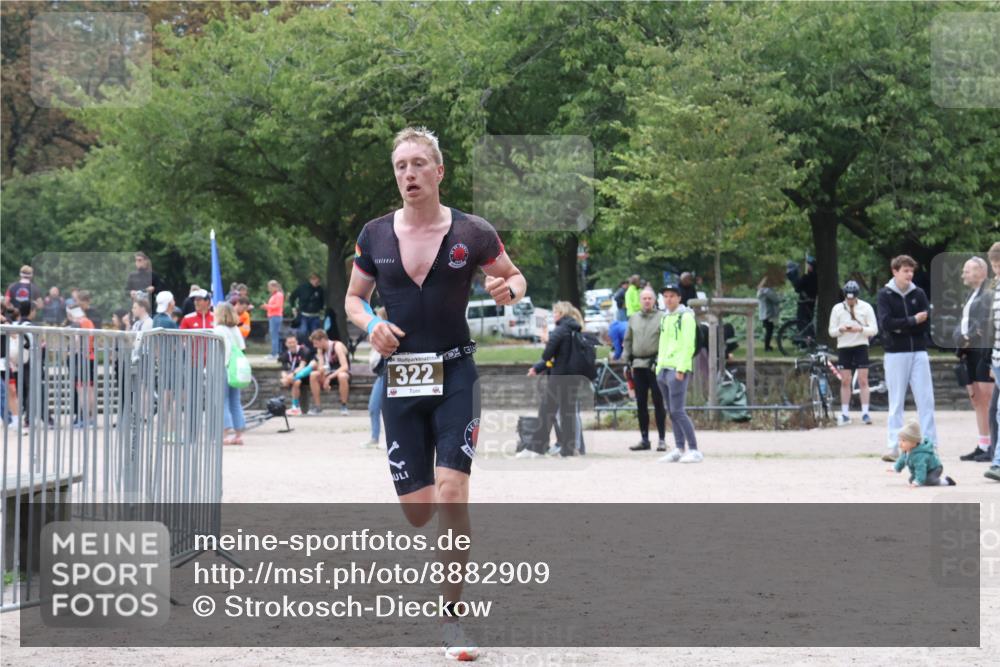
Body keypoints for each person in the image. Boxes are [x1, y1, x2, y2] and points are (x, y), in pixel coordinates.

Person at [345, 126, 525, 661]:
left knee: (452, 491)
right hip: (402, 380)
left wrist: (506, 289)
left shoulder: (474, 231)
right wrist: (369, 322)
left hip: (456, 374)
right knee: (420, 512)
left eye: (419, 163)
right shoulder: (374, 235)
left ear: (439, 171)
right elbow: (354, 299)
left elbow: (515, 279)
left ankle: (452, 619)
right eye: (401, 166)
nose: (409, 174)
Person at [877, 255, 936, 462]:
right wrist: (911, 321)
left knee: (925, 399)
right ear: (895, 271)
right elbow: (886, 323)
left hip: (918, 351)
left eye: (911, 271)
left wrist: (903, 325)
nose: (909, 275)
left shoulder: (918, 293)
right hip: (895, 353)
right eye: (905, 271)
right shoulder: (885, 294)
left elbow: (925, 323)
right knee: (896, 401)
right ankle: (894, 446)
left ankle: (930, 444)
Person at [525, 302, 587, 457]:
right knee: (568, 413)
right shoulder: (575, 330)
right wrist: (538, 367)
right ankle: (569, 448)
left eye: (554, 312)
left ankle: (538, 448)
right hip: (573, 377)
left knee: (546, 411)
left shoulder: (560, 331)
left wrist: (547, 339)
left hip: (559, 377)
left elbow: (548, 355)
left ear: (561, 313)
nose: (553, 315)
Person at [954, 256, 994, 462]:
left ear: (980, 272)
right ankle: (983, 443)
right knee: (976, 400)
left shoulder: (988, 295)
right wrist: (959, 340)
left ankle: (993, 447)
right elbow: (963, 322)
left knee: (986, 399)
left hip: (981, 351)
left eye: (967, 270)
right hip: (968, 353)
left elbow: (983, 325)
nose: (963, 274)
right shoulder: (971, 295)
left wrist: (968, 338)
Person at [656, 284, 701, 463]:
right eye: (665, 296)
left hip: (677, 368)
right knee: (671, 411)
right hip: (663, 368)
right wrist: (658, 367)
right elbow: (662, 343)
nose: (668, 299)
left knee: (678, 410)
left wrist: (682, 368)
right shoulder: (665, 317)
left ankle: (694, 449)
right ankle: (679, 447)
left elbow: (688, 344)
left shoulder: (686, 317)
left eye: (672, 296)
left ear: (679, 298)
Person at [828, 280, 878, 426]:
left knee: (863, 380)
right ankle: (844, 413)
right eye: (848, 298)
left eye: (853, 298)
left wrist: (860, 329)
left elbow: (874, 329)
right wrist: (841, 329)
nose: (850, 300)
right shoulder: (837, 309)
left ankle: (865, 413)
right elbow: (831, 332)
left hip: (861, 345)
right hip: (844, 346)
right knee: (845, 380)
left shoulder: (866, 307)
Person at [624, 286, 667, 452]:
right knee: (640, 403)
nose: (647, 301)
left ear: (655, 300)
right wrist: (626, 358)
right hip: (638, 366)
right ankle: (644, 438)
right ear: (640, 300)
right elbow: (628, 340)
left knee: (658, 402)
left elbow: (665, 340)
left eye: (650, 298)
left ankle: (662, 439)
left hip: (655, 365)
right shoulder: (633, 318)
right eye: (644, 298)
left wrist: (661, 358)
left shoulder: (662, 317)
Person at [213, 302, 247, 445]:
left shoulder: (218, 329)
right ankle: (238, 434)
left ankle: (224, 434)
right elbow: (242, 347)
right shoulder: (235, 329)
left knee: (223, 401)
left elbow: (218, 350)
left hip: (223, 366)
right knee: (235, 401)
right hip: (236, 368)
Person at [887, 420, 955, 487]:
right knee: (912, 480)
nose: (900, 444)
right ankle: (921, 480)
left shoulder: (920, 455)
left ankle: (946, 481)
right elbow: (902, 460)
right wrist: (896, 468)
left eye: (904, 441)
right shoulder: (906, 450)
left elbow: (920, 469)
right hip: (924, 469)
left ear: (914, 442)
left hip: (934, 468)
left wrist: (918, 482)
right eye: (900, 440)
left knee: (929, 480)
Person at [5, 301, 36, 432]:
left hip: (16, 362)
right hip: (28, 362)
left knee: (18, 391)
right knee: (30, 390)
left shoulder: (15, 324)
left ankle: (19, 415)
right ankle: (27, 418)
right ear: (31, 311)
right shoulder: (29, 326)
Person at [361, 307, 389, 448]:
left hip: (389, 374)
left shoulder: (389, 331)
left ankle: (390, 439)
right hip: (381, 375)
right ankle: (374, 437)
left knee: (388, 410)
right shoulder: (377, 332)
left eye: (378, 316)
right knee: (373, 407)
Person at [308, 329, 351, 415]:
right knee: (313, 375)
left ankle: (344, 406)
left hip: (341, 373)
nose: (314, 346)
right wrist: (320, 356)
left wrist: (328, 378)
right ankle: (318, 407)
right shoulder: (321, 350)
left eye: (316, 343)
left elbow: (345, 367)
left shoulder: (337, 345)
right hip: (329, 374)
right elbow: (321, 369)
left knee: (341, 375)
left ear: (323, 340)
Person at [985, 242, 1000, 483]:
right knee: (995, 412)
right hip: (997, 357)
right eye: (994, 265)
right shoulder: (996, 287)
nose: (996, 269)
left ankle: (998, 461)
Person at [279, 334, 315, 416]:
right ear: (286, 344)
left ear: (297, 342)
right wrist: (285, 377)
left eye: (293, 342)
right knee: (296, 381)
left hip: (305, 375)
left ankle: (295, 406)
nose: (292, 344)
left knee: (296, 381)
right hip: (293, 376)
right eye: (289, 342)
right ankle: (296, 407)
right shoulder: (285, 354)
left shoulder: (304, 350)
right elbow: (283, 370)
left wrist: (290, 376)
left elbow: (302, 366)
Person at [290, 273, 325, 341]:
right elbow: (292, 297)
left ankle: (314, 349)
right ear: (311, 280)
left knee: (315, 335)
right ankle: (302, 346)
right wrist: (293, 307)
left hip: (315, 316)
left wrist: (321, 309)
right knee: (302, 332)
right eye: (316, 281)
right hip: (304, 315)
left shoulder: (320, 290)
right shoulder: (302, 287)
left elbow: (322, 301)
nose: (317, 283)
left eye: (318, 282)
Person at [786, 256, 818, 331]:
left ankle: (806, 338)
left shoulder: (808, 276)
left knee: (803, 321)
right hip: (809, 301)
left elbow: (798, 287)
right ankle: (806, 338)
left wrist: (793, 277)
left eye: (808, 265)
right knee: (806, 321)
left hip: (805, 302)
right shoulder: (814, 275)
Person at [756, 275, 781, 352]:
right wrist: (781, 296)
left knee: (768, 330)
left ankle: (767, 346)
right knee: (769, 331)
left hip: (763, 314)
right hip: (769, 314)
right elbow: (776, 300)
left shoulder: (760, 291)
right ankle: (767, 347)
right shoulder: (767, 291)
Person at [260, 280, 285, 359]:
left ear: (275, 287)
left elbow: (277, 306)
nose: (268, 289)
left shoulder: (279, 295)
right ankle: (275, 352)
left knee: (274, 335)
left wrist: (267, 306)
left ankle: (274, 353)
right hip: (272, 316)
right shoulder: (274, 295)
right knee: (274, 335)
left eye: (270, 287)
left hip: (276, 317)